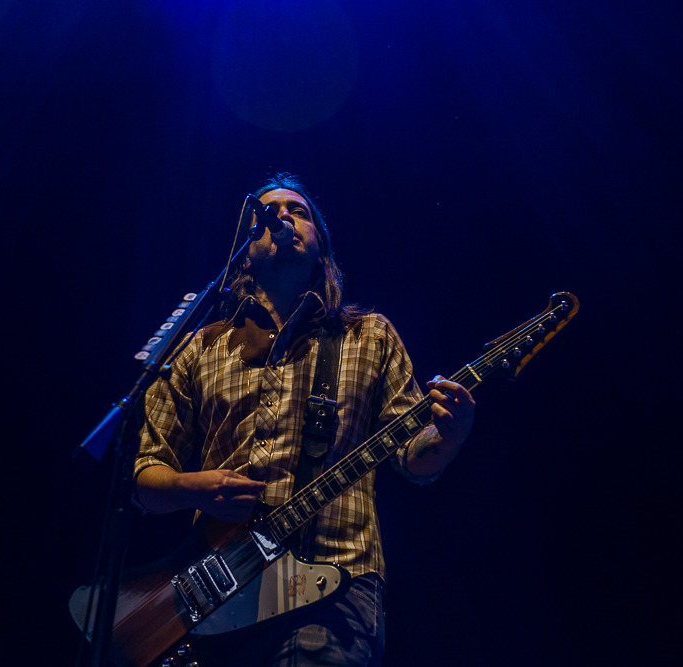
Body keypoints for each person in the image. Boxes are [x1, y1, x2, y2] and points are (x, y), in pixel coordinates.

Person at [133, 172, 475, 666]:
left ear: (321, 250)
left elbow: (413, 457)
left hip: (331, 590)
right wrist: (193, 488)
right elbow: (146, 476)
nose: (284, 218)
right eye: (268, 213)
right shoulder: (199, 347)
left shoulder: (369, 335)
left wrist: (450, 436)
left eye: (298, 211)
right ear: (245, 252)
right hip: (215, 597)